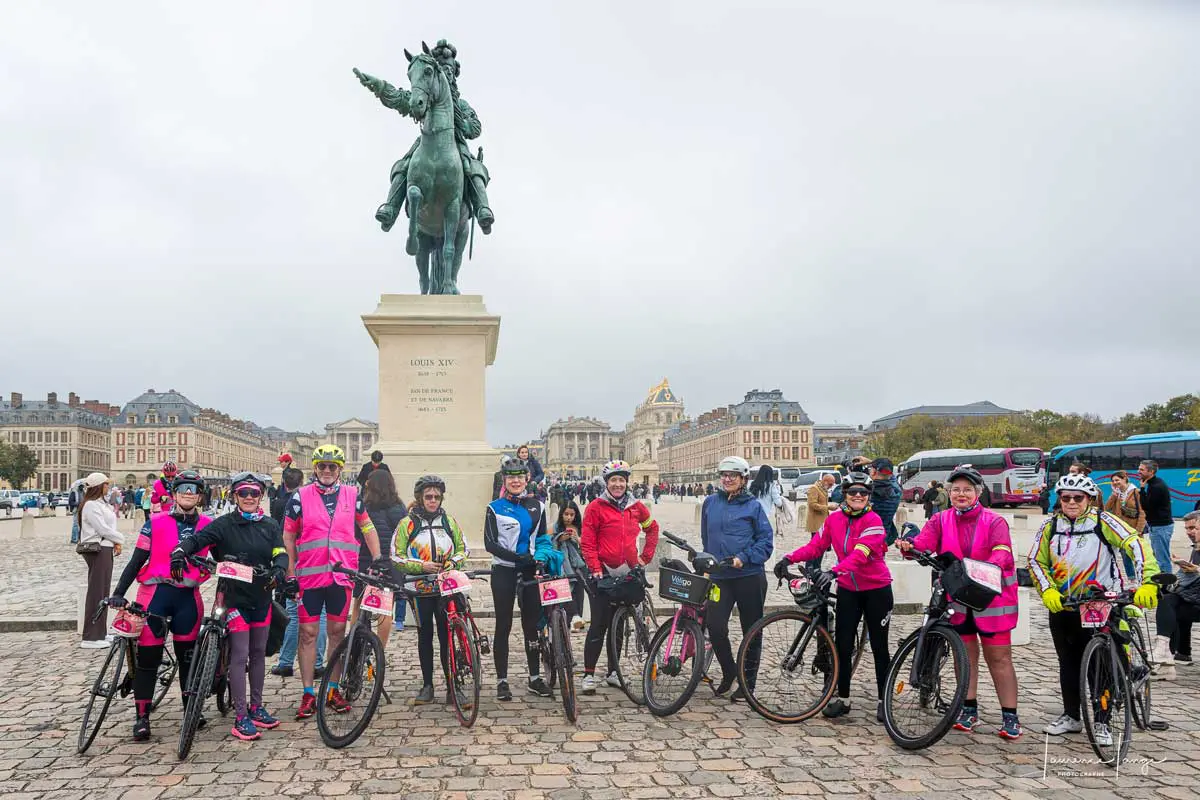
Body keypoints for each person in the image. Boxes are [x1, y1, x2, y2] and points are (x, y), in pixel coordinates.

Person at [1027, 473, 1159, 744]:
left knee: (1100, 665)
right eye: (1066, 497)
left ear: (1089, 499)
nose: (1071, 502)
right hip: (1064, 604)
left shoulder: (1103, 521)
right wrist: (1048, 589)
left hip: (1100, 602)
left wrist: (1147, 582)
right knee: (1068, 663)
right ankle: (1071, 716)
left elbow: (1136, 544)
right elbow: (1035, 560)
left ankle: (1102, 721)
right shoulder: (1050, 526)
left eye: (1078, 498)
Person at [897, 466, 1022, 739]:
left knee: (999, 658)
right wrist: (909, 546)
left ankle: (1010, 715)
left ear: (978, 493)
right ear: (949, 492)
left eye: (967, 490)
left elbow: (1002, 551)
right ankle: (968, 709)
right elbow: (924, 543)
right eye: (956, 490)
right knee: (964, 656)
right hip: (959, 599)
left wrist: (982, 568)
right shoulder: (940, 519)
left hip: (992, 599)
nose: (961, 494)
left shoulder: (994, 521)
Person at [170, 472, 289, 741]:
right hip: (233, 597)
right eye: (243, 493)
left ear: (261, 496)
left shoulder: (270, 525)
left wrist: (280, 570)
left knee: (258, 653)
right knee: (240, 653)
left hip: (261, 596)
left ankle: (256, 707)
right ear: (235, 496)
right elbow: (198, 540)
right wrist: (179, 551)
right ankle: (240, 716)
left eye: (254, 493)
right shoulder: (224, 524)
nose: (249, 497)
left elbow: (280, 552)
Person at [282, 444, 386, 719]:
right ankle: (308, 692)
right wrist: (290, 572)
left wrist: (378, 557)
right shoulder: (299, 497)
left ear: (339, 469)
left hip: (341, 576)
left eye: (332, 466)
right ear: (315, 468)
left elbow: (367, 527)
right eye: (322, 466)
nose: (326, 471)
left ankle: (332, 689)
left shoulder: (353, 495)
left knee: (337, 633)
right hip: (310, 576)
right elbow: (288, 536)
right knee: (308, 633)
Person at [106, 469, 212, 741]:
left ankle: (191, 709)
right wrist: (118, 592)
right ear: (174, 493)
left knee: (188, 660)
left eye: (193, 490)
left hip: (188, 599)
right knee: (149, 659)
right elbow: (136, 561)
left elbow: (226, 556)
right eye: (183, 488)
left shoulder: (208, 525)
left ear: (200, 496)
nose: (188, 493)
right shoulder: (155, 522)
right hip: (154, 597)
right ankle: (142, 717)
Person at [777, 471, 891, 720]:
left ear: (869, 496)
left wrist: (833, 572)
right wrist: (788, 558)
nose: (858, 495)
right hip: (849, 588)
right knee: (843, 645)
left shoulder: (874, 521)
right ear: (844, 494)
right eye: (853, 492)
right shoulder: (834, 519)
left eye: (863, 492)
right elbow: (816, 546)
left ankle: (884, 700)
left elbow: (860, 554)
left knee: (879, 647)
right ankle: (843, 699)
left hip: (876, 589)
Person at [579, 460, 659, 694]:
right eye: (613, 480)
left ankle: (613, 672)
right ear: (606, 483)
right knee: (599, 624)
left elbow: (652, 528)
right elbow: (588, 541)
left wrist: (645, 557)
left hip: (627, 572)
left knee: (619, 624)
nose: (618, 484)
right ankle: (588, 674)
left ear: (627, 482)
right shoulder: (595, 507)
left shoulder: (636, 507)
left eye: (621, 480)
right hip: (602, 571)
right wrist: (595, 567)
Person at [484, 455, 557, 701]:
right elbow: (490, 544)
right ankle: (502, 681)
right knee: (503, 625)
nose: (515, 481)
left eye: (519, 477)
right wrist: (518, 557)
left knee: (531, 626)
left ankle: (535, 678)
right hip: (504, 570)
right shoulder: (494, 507)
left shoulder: (538, 506)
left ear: (527, 479)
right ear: (504, 480)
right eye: (510, 478)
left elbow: (543, 539)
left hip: (530, 571)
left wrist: (541, 557)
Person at [391, 474, 469, 705]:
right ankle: (427, 686)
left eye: (436, 497)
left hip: (445, 588)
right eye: (428, 497)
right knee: (425, 636)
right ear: (420, 498)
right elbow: (396, 556)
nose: (433, 500)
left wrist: (453, 563)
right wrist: (420, 566)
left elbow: (463, 549)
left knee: (447, 637)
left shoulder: (449, 522)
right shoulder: (407, 524)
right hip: (420, 588)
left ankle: (453, 687)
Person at [700, 455, 772, 702]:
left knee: (751, 630)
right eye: (724, 475)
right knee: (715, 626)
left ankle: (747, 683)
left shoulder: (754, 507)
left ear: (743, 479)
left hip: (748, 576)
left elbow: (765, 542)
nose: (727, 479)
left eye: (733, 475)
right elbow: (706, 537)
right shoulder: (710, 503)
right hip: (720, 577)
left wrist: (744, 557)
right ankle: (729, 671)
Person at [270, 467, 327, 678]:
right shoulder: (316, 501)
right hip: (318, 563)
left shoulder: (280, 502)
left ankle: (286, 661)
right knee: (319, 614)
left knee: (294, 615)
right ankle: (317, 663)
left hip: (296, 562)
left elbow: (281, 534)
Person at [1152, 510, 1200, 679]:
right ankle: (1167, 653)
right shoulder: (1196, 549)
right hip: (1195, 599)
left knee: (1173, 602)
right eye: (1188, 528)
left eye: (1194, 528)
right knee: (1169, 599)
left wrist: (1197, 570)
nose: (1190, 532)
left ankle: (1170, 652)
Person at [78, 472, 124, 648]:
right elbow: (102, 529)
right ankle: (90, 636)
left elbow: (108, 527)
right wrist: (120, 539)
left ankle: (100, 632)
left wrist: (115, 542)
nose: (108, 487)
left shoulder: (100, 504)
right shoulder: (90, 505)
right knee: (96, 592)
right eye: (105, 485)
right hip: (97, 549)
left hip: (105, 547)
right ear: (98, 486)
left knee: (103, 592)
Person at [361, 470, 409, 635]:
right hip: (390, 563)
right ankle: (380, 648)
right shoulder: (399, 507)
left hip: (367, 560)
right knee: (385, 609)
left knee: (359, 606)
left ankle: (357, 644)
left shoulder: (365, 507)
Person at [553, 501, 588, 630]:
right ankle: (572, 618)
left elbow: (587, 546)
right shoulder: (556, 527)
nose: (568, 517)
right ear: (561, 514)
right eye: (566, 514)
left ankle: (577, 619)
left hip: (579, 565)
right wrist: (559, 539)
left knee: (579, 593)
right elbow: (550, 544)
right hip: (564, 565)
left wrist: (577, 538)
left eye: (572, 515)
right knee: (567, 592)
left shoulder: (580, 528)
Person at [1138, 459, 1175, 575]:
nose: (1138, 471)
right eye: (1139, 469)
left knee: (1162, 559)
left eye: (1142, 469)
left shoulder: (1156, 487)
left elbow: (1146, 506)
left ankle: (1166, 582)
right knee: (1159, 557)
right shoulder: (1154, 483)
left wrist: (1142, 489)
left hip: (1160, 527)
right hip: (1158, 526)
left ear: (1151, 471)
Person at [867, 458, 902, 545]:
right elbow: (891, 478)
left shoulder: (866, 494)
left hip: (864, 538)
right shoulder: (896, 493)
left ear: (873, 472)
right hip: (883, 539)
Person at [748, 465, 784, 538]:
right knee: (766, 539)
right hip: (766, 516)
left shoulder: (753, 484)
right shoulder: (771, 486)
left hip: (752, 515)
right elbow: (778, 503)